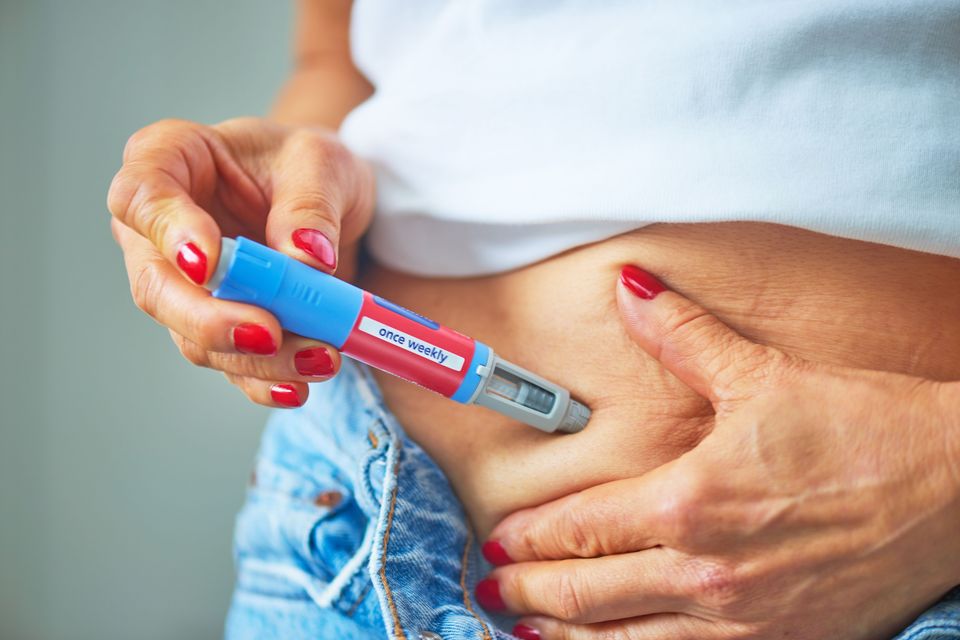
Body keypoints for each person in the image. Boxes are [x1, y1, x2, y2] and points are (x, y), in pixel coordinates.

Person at [107, 1, 960, 638]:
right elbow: (338, 52)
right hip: (345, 540)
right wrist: (297, 167)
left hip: (900, 581)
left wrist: (942, 470)